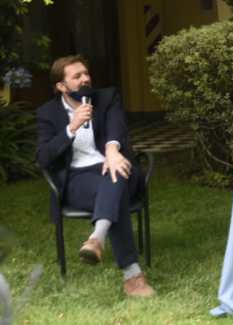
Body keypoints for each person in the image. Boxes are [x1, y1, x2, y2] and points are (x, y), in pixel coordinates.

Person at [35, 55, 154, 297]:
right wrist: (71, 127)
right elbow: (43, 157)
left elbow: (116, 127)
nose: (85, 79)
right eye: (77, 76)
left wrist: (112, 151)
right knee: (115, 187)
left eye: (86, 73)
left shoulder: (107, 97)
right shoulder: (48, 113)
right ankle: (132, 277)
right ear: (61, 86)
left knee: (115, 171)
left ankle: (97, 239)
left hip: (114, 165)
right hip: (78, 180)